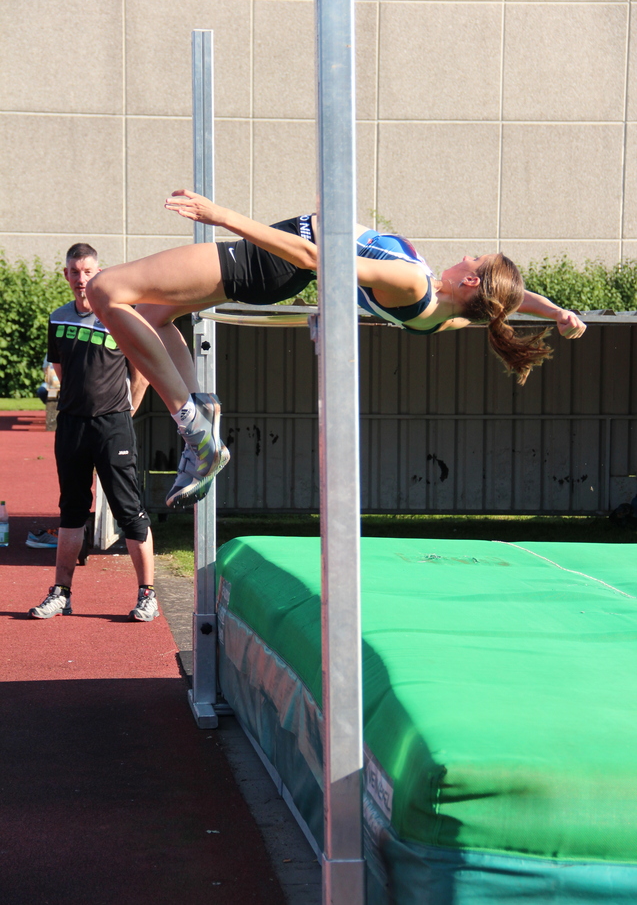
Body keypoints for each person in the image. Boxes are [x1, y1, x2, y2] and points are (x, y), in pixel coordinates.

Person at [86, 191, 586, 508]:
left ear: (473, 278)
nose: (463, 256)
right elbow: (508, 303)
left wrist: (223, 215)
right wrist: (556, 312)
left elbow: (311, 256)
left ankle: (193, 425)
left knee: (105, 290)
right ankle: (202, 408)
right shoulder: (445, 318)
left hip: (272, 259)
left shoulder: (410, 280)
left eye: (473, 259)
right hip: (276, 265)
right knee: (152, 316)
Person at [28, 243, 158, 622]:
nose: (82, 279)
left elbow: (143, 371)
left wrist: (126, 411)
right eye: (75, 272)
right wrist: (76, 406)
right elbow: (62, 373)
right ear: (66, 275)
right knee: (71, 511)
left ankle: (147, 594)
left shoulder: (120, 315)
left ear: (99, 273)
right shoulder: (58, 317)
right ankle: (61, 593)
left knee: (129, 511)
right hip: (71, 426)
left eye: (88, 272)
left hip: (112, 426)